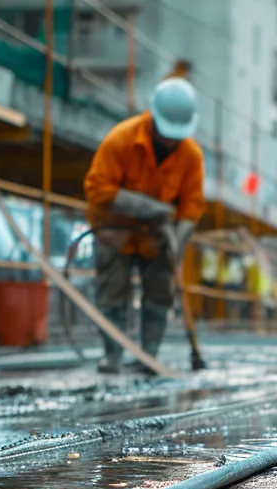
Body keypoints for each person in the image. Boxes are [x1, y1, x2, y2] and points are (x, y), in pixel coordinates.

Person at [83, 76, 206, 374]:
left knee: (160, 292)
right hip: (114, 231)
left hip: (156, 237)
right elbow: (97, 189)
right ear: (153, 117)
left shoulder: (191, 156)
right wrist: (149, 208)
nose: (171, 141)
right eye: (166, 134)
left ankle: (148, 356)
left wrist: (179, 238)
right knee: (112, 292)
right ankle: (112, 357)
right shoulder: (121, 140)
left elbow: (191, 205)